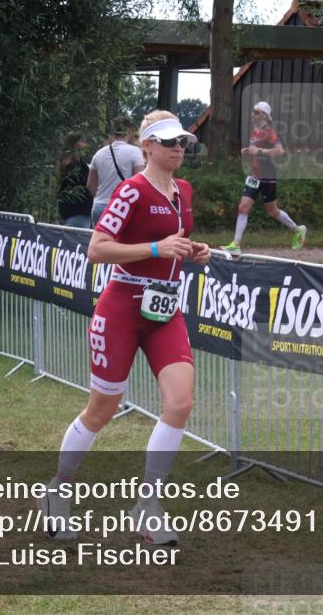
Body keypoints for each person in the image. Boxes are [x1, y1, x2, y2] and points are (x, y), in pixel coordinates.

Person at [39, 110, 210, 546]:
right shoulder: (132, 191)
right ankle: (57, 492)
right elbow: (97, 249)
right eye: (169, 142)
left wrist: (191, 250)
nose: (178, 149)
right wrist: (155, 248)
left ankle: (147, 506)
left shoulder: (184, 191)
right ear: (146, 147)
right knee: (102, 410)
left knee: (180, 403)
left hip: (165, 311)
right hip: (121, 309)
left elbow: (171, 242)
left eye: (182, 142)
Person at [222, 101, 307, 254]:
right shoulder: (255, 131)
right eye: (253, 111)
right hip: (254, 176)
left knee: (272, 211)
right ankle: (235, 245)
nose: (252, 114)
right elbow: (255, 150)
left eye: (256, 112)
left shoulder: (269, 131)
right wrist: (248, 151)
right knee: (243, 208)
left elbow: (280, 151)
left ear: (265, 115)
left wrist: (259, 151)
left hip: (267, 176)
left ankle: (297, 230)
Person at [87, 115, 144, 226]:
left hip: (99, 206)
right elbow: (139, 183)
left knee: (100, 237)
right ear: (130, 130)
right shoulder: (135, 152)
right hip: (121, 207)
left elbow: (90, 185)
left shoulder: (99, 153)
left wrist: (101, 197)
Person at [55, 131, 93, 228]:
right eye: (82, 141)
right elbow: (80, 180)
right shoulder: (73, 162)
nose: (85, 144)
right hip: (78, 206)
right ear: (76, 143)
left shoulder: (69, 159)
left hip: (69, 206)